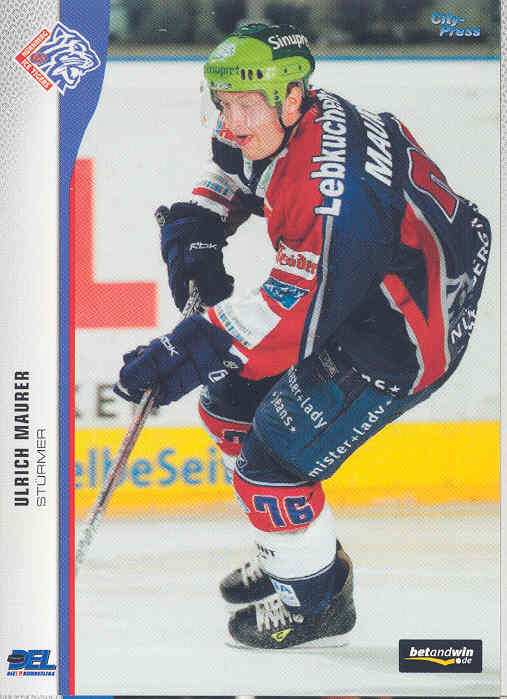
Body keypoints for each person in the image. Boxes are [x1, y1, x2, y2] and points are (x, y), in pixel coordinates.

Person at [114, 23, 491, 649]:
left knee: (272, 467)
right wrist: (199, 230)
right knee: (229, 404)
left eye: (246, 106)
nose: (232, 122)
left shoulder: (333, 195)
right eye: (223, 103)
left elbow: (292, 313)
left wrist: (187, 350)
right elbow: (233, 171)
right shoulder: (286, 118)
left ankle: (318, 604)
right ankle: (292, 552)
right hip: (372, 286)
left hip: (405, 336)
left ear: (293, 99)